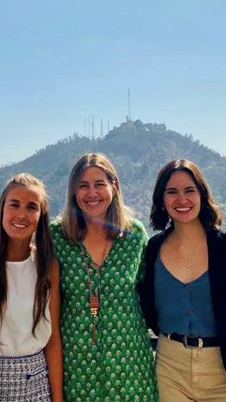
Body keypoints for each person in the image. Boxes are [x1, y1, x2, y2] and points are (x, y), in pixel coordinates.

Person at [138, 159, 226, 402]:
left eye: (189, 190)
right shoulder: (153, 249)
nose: (182, 199)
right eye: (172, 192)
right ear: (162, 200)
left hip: (225, 372)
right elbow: (149, 309)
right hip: (170, 369)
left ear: (202, 195)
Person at [50, 153, 157, 401]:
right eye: (83, 186)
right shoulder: (57, 236)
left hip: (131, 368)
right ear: (73, 191)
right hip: (76, 371)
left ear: (114, 185)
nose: (92, 193)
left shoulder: (133, 235)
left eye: (99, 184)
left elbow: (151, 291)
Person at [0, 173, 63, 402]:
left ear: (41, 215)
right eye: (14, 204)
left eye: (31, 207)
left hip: (35, 383)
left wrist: (58, 399)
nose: (21, 214)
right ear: (2, 209)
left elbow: (53, 337)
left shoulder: (47, 266)